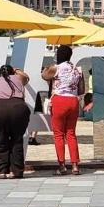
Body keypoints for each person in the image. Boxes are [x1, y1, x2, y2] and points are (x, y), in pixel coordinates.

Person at [41, 45, 83, 175]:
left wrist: (47, 66)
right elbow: (82, 90)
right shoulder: (78, 70)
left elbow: (44, 76)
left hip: (59, 100)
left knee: (58, 134)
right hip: (73, 101)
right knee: (71, 134)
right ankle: (75, 166)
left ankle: (62, 166)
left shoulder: (56, 68)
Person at [0, 63, 31, 178]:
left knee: (1, 139)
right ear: (13, 73)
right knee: (17, 139)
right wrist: (17, 70)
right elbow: (26, 77)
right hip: (19, 109)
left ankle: (1, 171)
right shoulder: (18, 80)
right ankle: (16, 172)